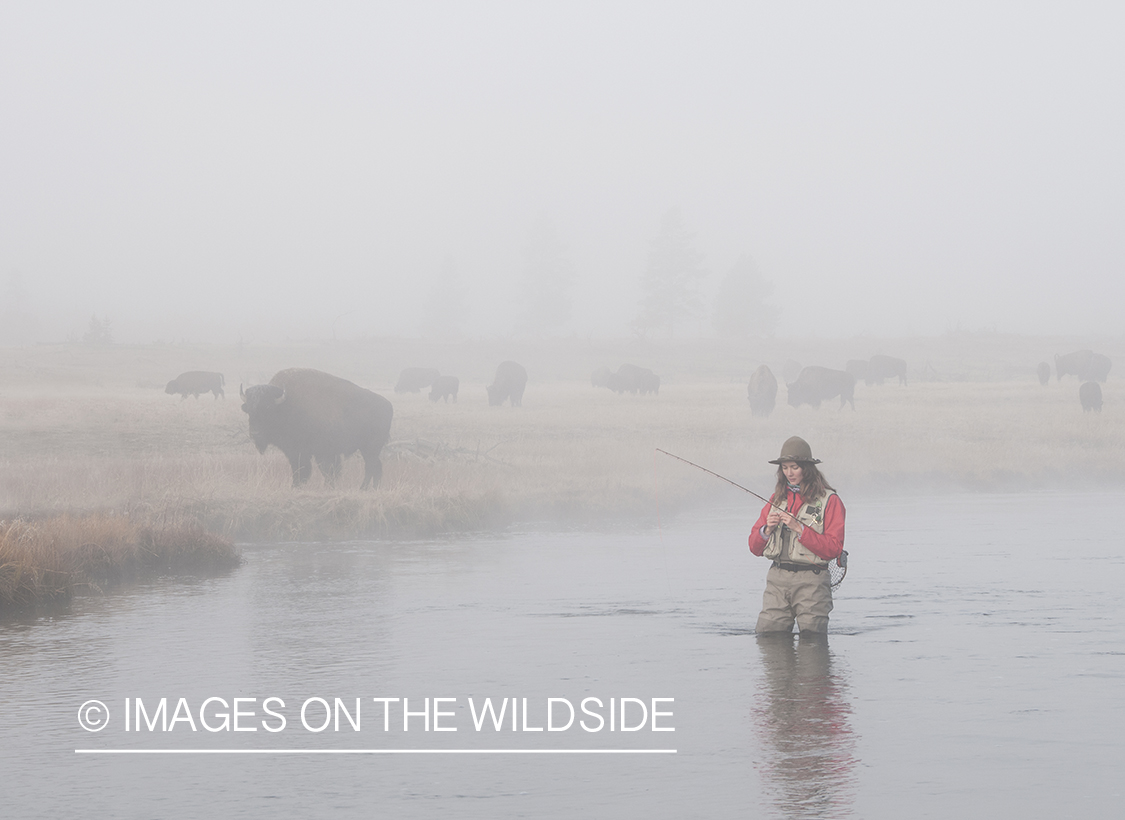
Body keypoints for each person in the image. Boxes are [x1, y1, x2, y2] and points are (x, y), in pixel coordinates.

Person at [748, 436, 846, 634]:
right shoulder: (776, 499)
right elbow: (754, 547)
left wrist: (800, 529)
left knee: (812, 646)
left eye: (794, 467)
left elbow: (834, 548)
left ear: (806, 468)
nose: (789, 473)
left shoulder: (831, 501)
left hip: (813, 581)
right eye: (784, 468)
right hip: (777, 579)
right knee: (768, 637)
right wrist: (766, 530)